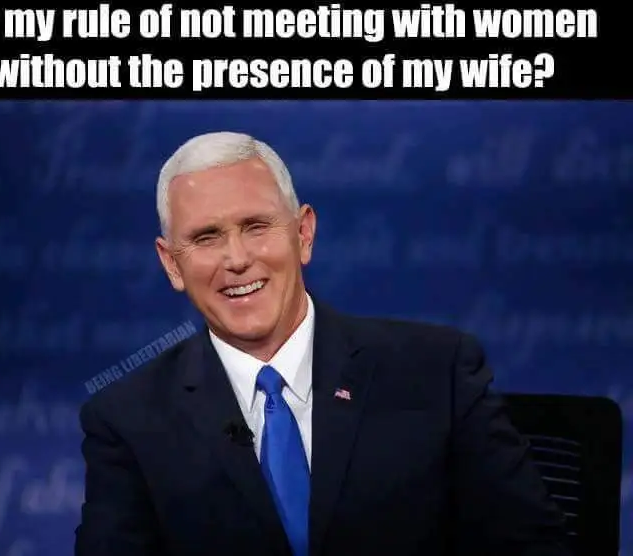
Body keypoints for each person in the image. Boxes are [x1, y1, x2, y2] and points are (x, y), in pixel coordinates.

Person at [74, 131, 571, 556]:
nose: (237, 258)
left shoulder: (437, 372)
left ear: (304, 233)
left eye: (256, 226)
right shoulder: (128, 420)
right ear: (171, 264)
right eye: (206, 238)